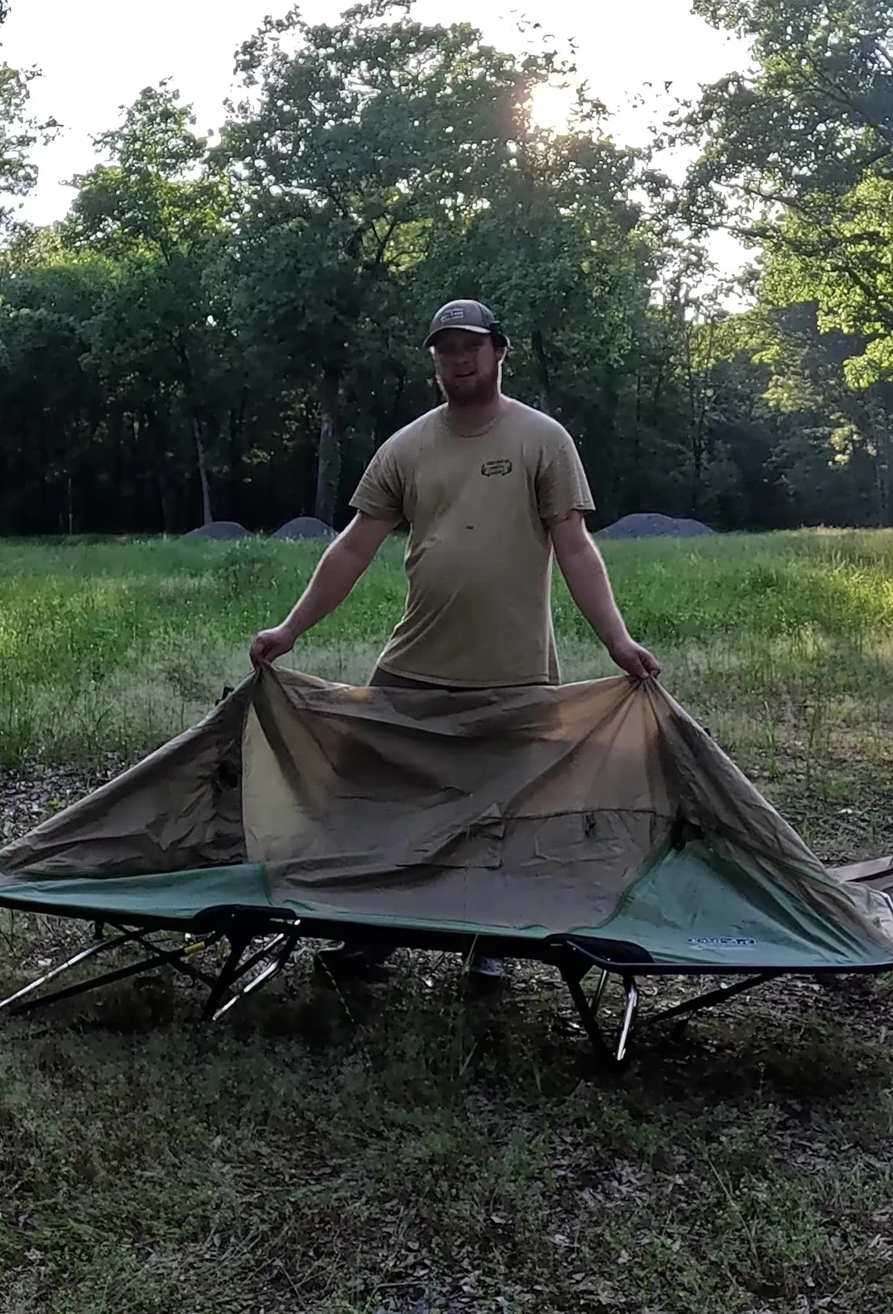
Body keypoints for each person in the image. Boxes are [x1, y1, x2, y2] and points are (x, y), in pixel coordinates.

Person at [249, 297, 662, 988]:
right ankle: (368, 935)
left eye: (471, 345)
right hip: (414, 666)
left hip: (515, 669)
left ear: (499, 350)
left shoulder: (542, 439)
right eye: (445, 348)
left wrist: (617, 639)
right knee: (371, 801)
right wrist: (290, 628)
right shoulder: (405, 448)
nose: (459, 358)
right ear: (434, 361)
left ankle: (488, 942)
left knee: (499, 815)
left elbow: (576, 548)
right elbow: (351, 549)